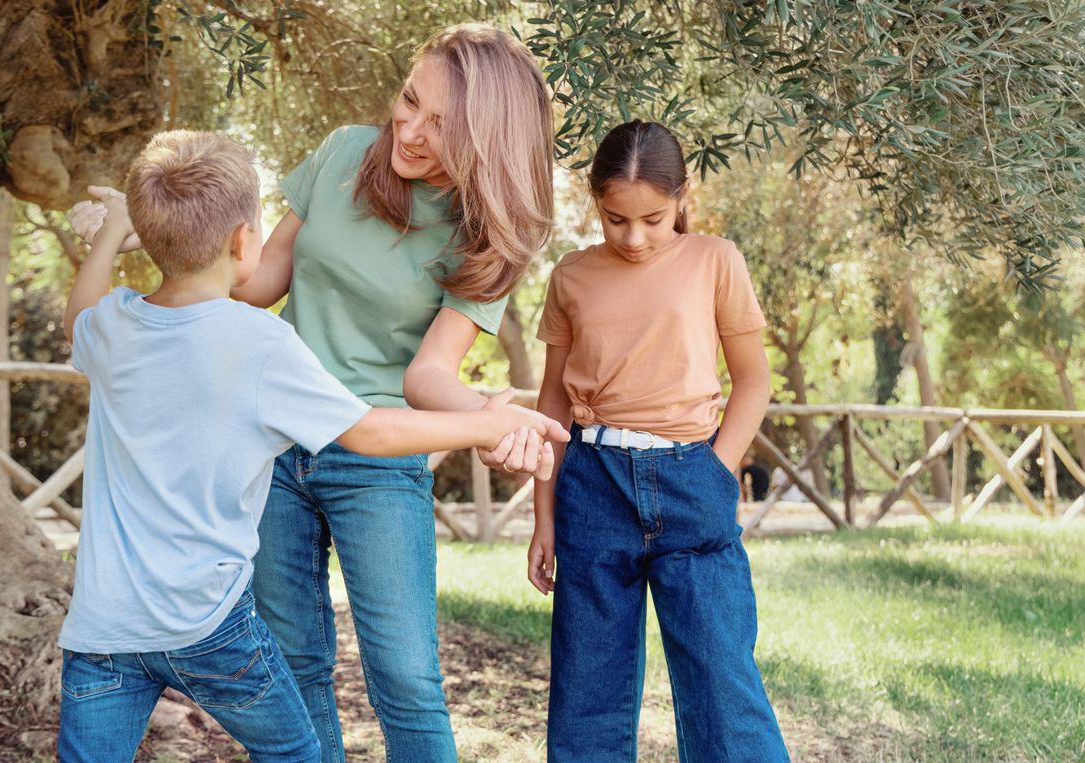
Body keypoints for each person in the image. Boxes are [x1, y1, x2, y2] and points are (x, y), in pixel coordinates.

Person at [68, 23, 561, 762]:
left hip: (381, 452)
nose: (409, 128)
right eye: (408, 100)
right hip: (274, 447)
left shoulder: (488, 238)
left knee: (406, 676)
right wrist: (169, 233)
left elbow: (427, 378)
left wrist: (492, 419)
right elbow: (258, 281)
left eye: (439, 126)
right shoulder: (342, 154)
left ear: (488, 142)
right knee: (295, 662)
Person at [527, 120, 790, 762]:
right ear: (595, 202)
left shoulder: (714, 260)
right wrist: (543, 517)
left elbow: (754, 381)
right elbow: (554, 402)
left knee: (722, 684)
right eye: (616, 219)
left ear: (681, 196)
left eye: (653, 218)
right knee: (587, 691)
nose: (635, 237)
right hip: (592, 485)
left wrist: (717, 472)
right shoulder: (571, 276)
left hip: (691, 480)